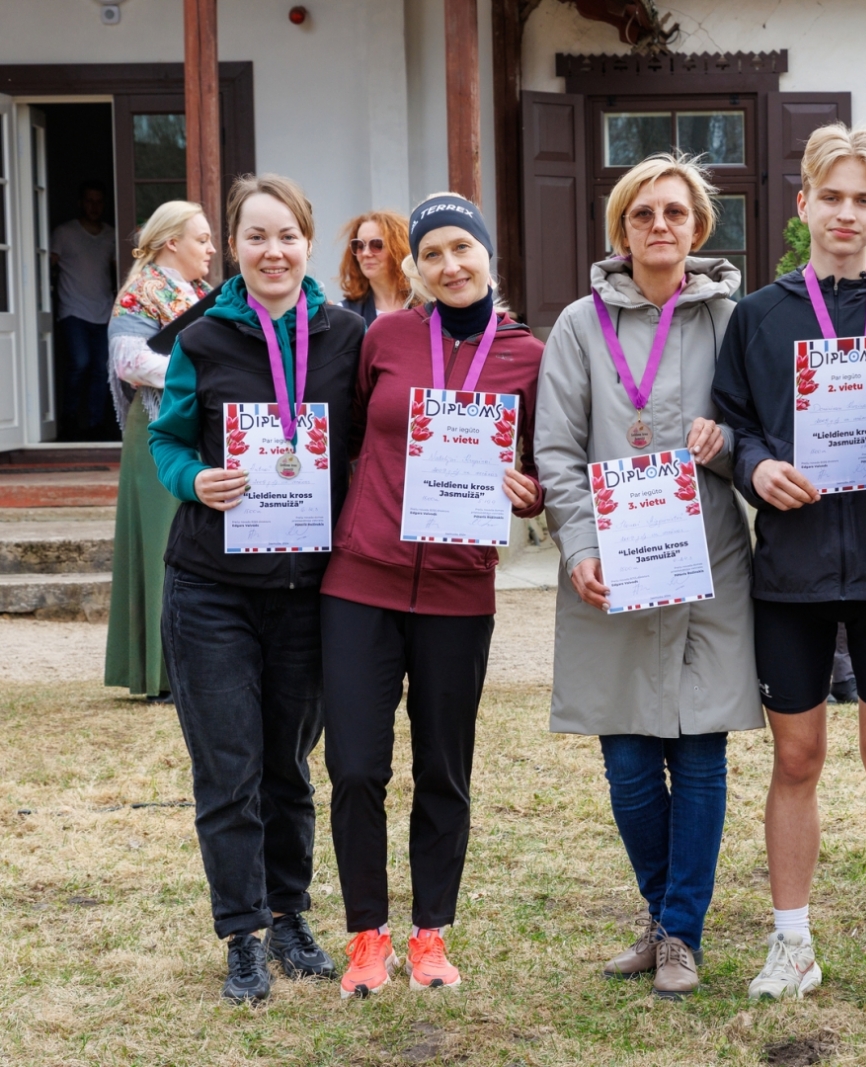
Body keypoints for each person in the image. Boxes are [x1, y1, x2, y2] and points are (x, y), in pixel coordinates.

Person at [711, 124, 866, 1013]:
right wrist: (754, 465)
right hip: (793, 571)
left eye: (864, 199)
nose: (846, 214)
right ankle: (792, 941)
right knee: (796, 756)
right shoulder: (759, 317)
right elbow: (732, 422)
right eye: (831, 197)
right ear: (803, 204)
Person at [535, 153, 762, 1000]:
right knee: (628, 756)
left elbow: (764, 430)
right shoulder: (577, 327)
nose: (659, 226)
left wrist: (728, 443)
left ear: (698, 229)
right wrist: (579, 547)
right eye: (642, 214)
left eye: (674, 213)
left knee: (699, 748)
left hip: (706, 556)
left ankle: (679, 934)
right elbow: (556, 449)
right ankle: (667, 917)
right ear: (620, 229)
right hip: (611, 561)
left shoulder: (732, 318)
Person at [320, 193, 545, 999]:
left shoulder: (526, 353)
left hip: (458, 589)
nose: (451, 266)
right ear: (414, 266)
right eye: (434, 254)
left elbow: (541, 463)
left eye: (464, 248)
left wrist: (530, 493)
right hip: (361, 580)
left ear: (487, 254)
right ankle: (366, 935)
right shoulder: (384, 336)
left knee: (444, 768)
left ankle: (430, 936)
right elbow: (348, 436)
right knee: (354, 765)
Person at [148, 173, 364, 1002]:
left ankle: (291, 915)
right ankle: (241, 933)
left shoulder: (345, 335)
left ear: (308, 242)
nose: (272, 252)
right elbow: (165, 442)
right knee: (228, 767)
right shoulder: (200, 338)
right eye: (254, 237)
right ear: (232, 247)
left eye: (287, 236)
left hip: (308, 588)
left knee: (289, 765)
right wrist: (194, 479)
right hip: (211, 587)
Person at [104, 200, 215, 700]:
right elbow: (129, 361)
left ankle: (193, 661)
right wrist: (201, 372)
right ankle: (162, 671)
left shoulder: (200, 293)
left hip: (191, 426)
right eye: (202, 239)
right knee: (162, 543)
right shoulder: (142, 292)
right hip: (155, 430)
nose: (212, 248)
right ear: (173, 243)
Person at [51, 179, 119, 439]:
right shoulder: (64, 232)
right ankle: (68, 420)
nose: (94, 206)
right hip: (73, 310)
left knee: (102, 369)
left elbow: (119, 268)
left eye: (99, 201)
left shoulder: (111, 234)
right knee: (80, 363)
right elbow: (49, 266)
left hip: (103, 310)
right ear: (80, 203)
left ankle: (95, 425)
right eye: (89, 201)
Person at [338, 209, 418, 326]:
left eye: (376, 245)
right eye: (359, 245)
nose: (365, 253)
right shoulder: (344, 313)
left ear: (398, 249)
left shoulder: (429, 304)